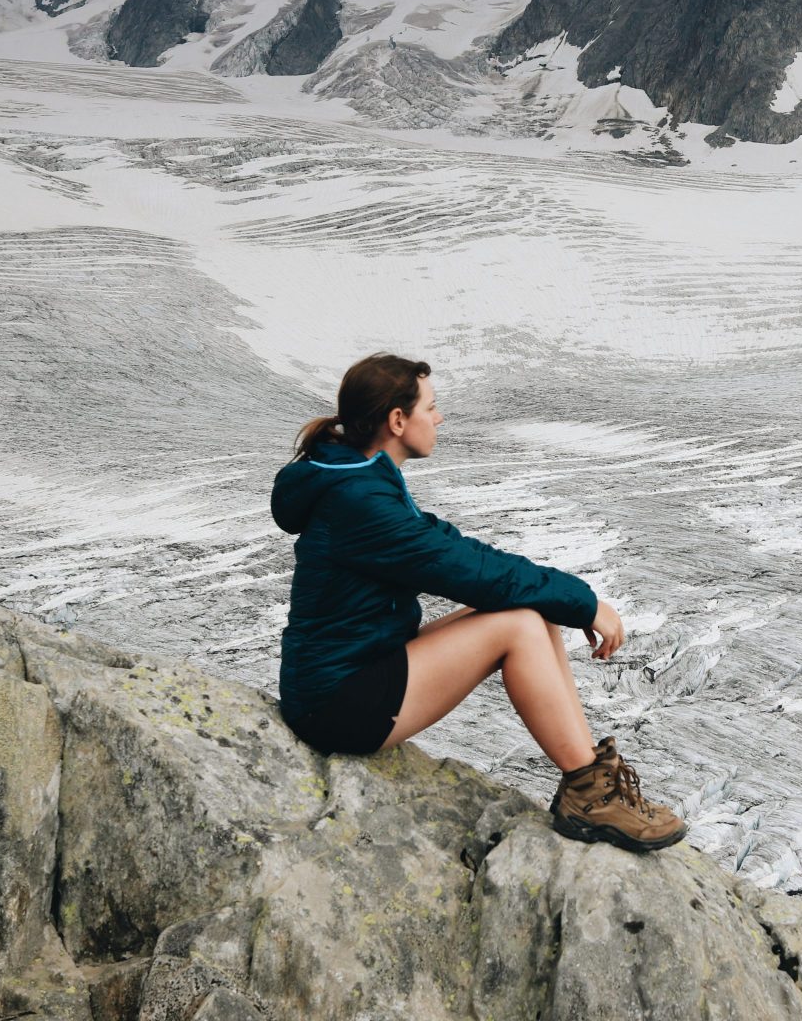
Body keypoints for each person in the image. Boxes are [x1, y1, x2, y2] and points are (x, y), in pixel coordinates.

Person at [270, 352, 686, 852]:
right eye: (432, 406)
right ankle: (589, 796)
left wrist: (564, 599)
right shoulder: (358, 498)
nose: (439, 417)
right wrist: (584, 601)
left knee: (530, 612)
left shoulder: (355, 478)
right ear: (398, 420)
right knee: (519, 626)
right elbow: (465, 570)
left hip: (356, 670)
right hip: (337, 704)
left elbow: (455, 550)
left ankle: (594, 780)